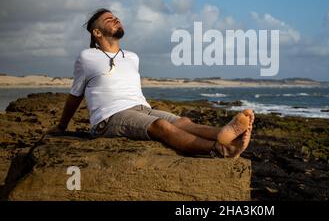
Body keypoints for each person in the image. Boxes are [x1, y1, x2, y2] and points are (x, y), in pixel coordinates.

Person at [47, 9, 254, 158]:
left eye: (116, 17)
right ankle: (219, 149)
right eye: (108, 19)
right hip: (110, 117)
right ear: (97, 33)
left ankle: (226, 134)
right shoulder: (87, 57)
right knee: (161, 126)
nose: (115, 19)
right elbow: (76, 94)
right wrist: (62, 126)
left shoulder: (132, 56)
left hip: (142, 108)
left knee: (183, 122)